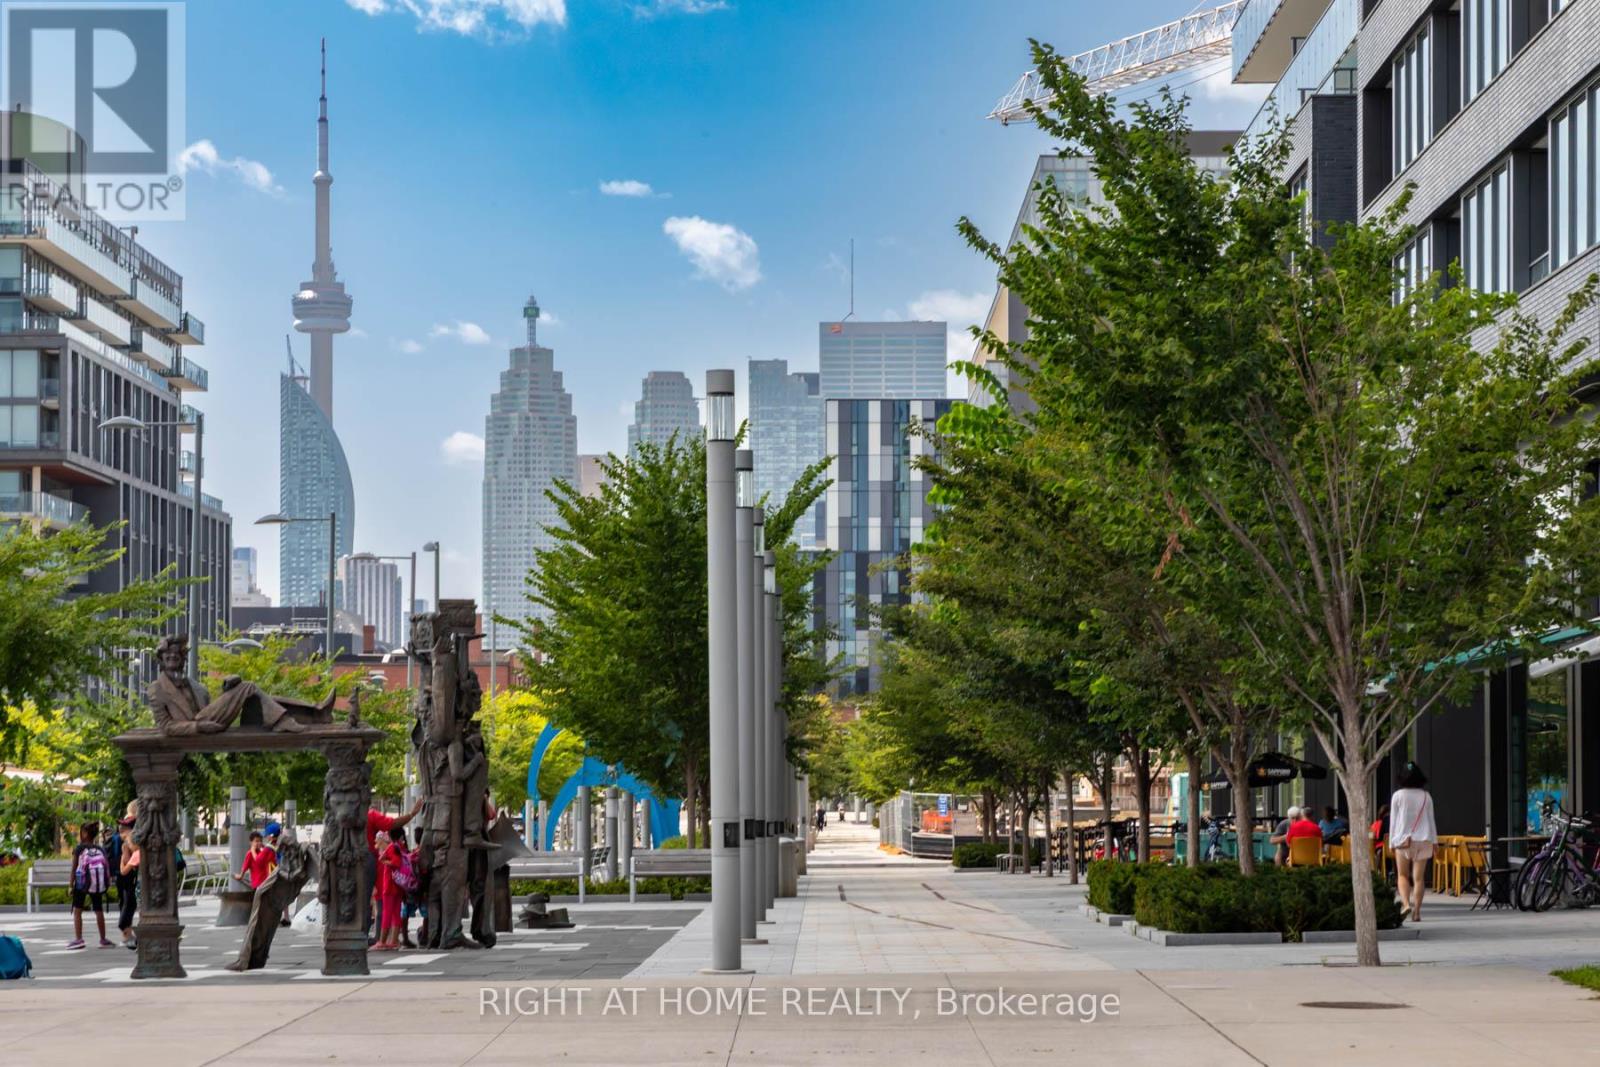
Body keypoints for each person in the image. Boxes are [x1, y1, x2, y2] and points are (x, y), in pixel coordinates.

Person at [1390, 762, 1437, 922]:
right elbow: (1431, 820)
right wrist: (1435, 842)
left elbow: (1393, 822)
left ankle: (1405, 904)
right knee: (1419, 878)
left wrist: (1391, 843)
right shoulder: (1426, 796)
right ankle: (1417, 912)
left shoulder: (1398, 796)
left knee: (1402, 875)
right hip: (1424, 840)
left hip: (1403, 841)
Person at [67, 822, 113, 949]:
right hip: (96, 884)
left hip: (81, 884)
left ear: (85, 833)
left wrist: (70, 885)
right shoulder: (100, 849)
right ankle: (103, 939)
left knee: (77, 911)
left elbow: (74, 868)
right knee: (99, 910)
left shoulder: (79, 849)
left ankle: (79, 939)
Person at [373, 829, 405, 951]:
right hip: (398, 885)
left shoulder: (391, 848)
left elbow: (396, 863)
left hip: (389, 886)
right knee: (396, 913)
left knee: (386, 913)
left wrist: (384, 861)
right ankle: (394, 941)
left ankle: (382, 941)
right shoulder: (399, 847)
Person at [114, 816, 139, 950]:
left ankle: (128, 934)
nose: (121, 831)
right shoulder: (124, 841)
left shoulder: (131, 843)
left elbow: (126, 866)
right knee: (127, 904)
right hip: (127, 880)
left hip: (130, 880)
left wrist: (125, 853)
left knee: (129, 904)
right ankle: (127, 934)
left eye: (124, 828)